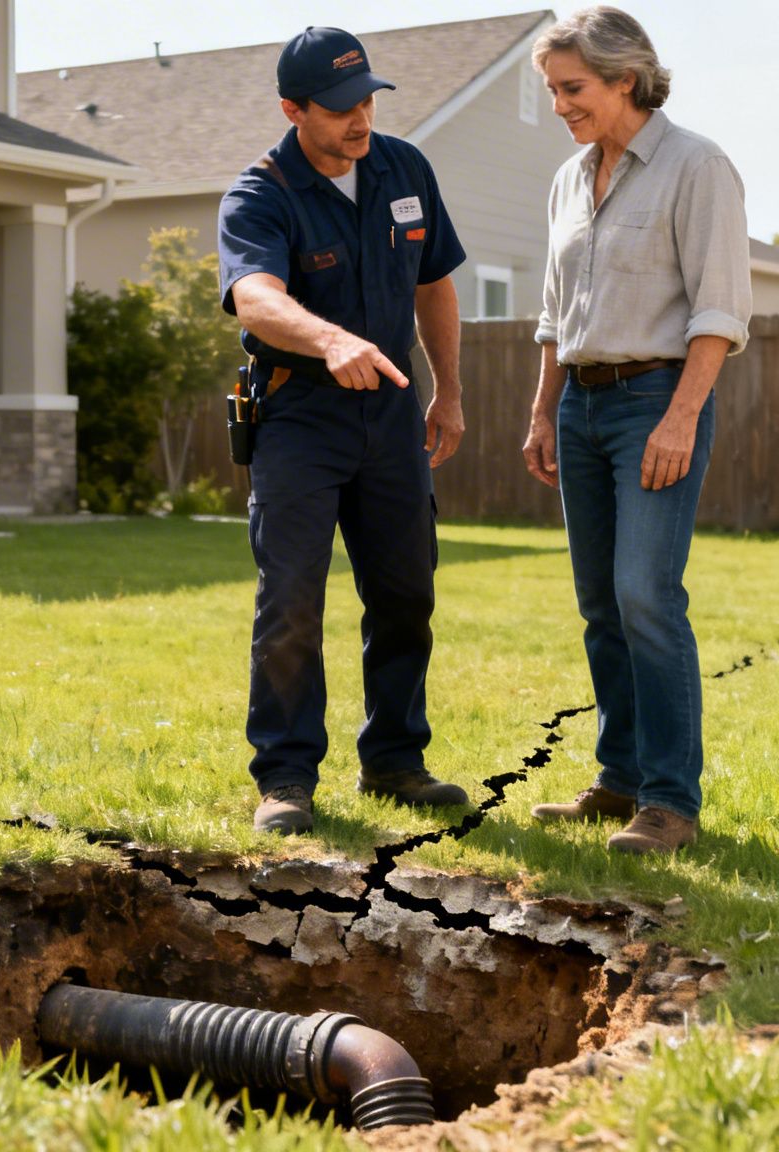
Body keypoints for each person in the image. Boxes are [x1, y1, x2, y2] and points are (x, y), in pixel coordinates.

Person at [216, 26, 470, 835]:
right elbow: (254, 296)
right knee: (291, 597)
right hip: (301, 412)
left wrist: (449, 392)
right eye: (337, 108)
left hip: (391, 411)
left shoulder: (405, 167)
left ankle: (395, 760)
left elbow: (434, 285)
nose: (358, 120)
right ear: (293, 109)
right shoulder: (260, 194)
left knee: (405, 592)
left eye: (366, 100)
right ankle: (286, 777)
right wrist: (329, 338)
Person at [520, 7, 751, 854]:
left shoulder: (697, 166)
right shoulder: (567, 180)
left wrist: (680, 418)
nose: (559, 106)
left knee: (647, 595)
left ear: (627, 78)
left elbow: (719, 310)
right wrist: (543, 410)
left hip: (656, 399)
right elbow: (554, 313)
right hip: (579, 404)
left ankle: (671, 801)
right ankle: (618, 781)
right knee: (600, 604)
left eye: (572, 88)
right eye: (552, 90)